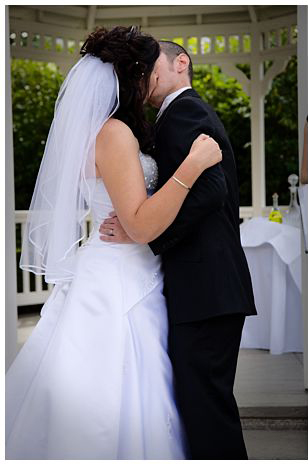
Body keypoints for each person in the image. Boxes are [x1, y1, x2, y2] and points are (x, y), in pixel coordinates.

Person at [7, 26, 222, 459]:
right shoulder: (115, 134)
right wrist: (193, 166)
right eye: (149, 72)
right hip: (123, 274)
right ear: (134, 76)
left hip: (116, 265)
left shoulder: (100, 131)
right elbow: (141, 225)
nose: (155, 80)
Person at [99, 39, 258, 459]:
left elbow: (209, 189)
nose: (144, 77)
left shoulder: (186, 111)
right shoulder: (170, 119)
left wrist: (144, 233)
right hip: (202, 287)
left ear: (180, 63)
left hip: (206, 287)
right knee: (200, 402)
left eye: (151, 67)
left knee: (206, 406)